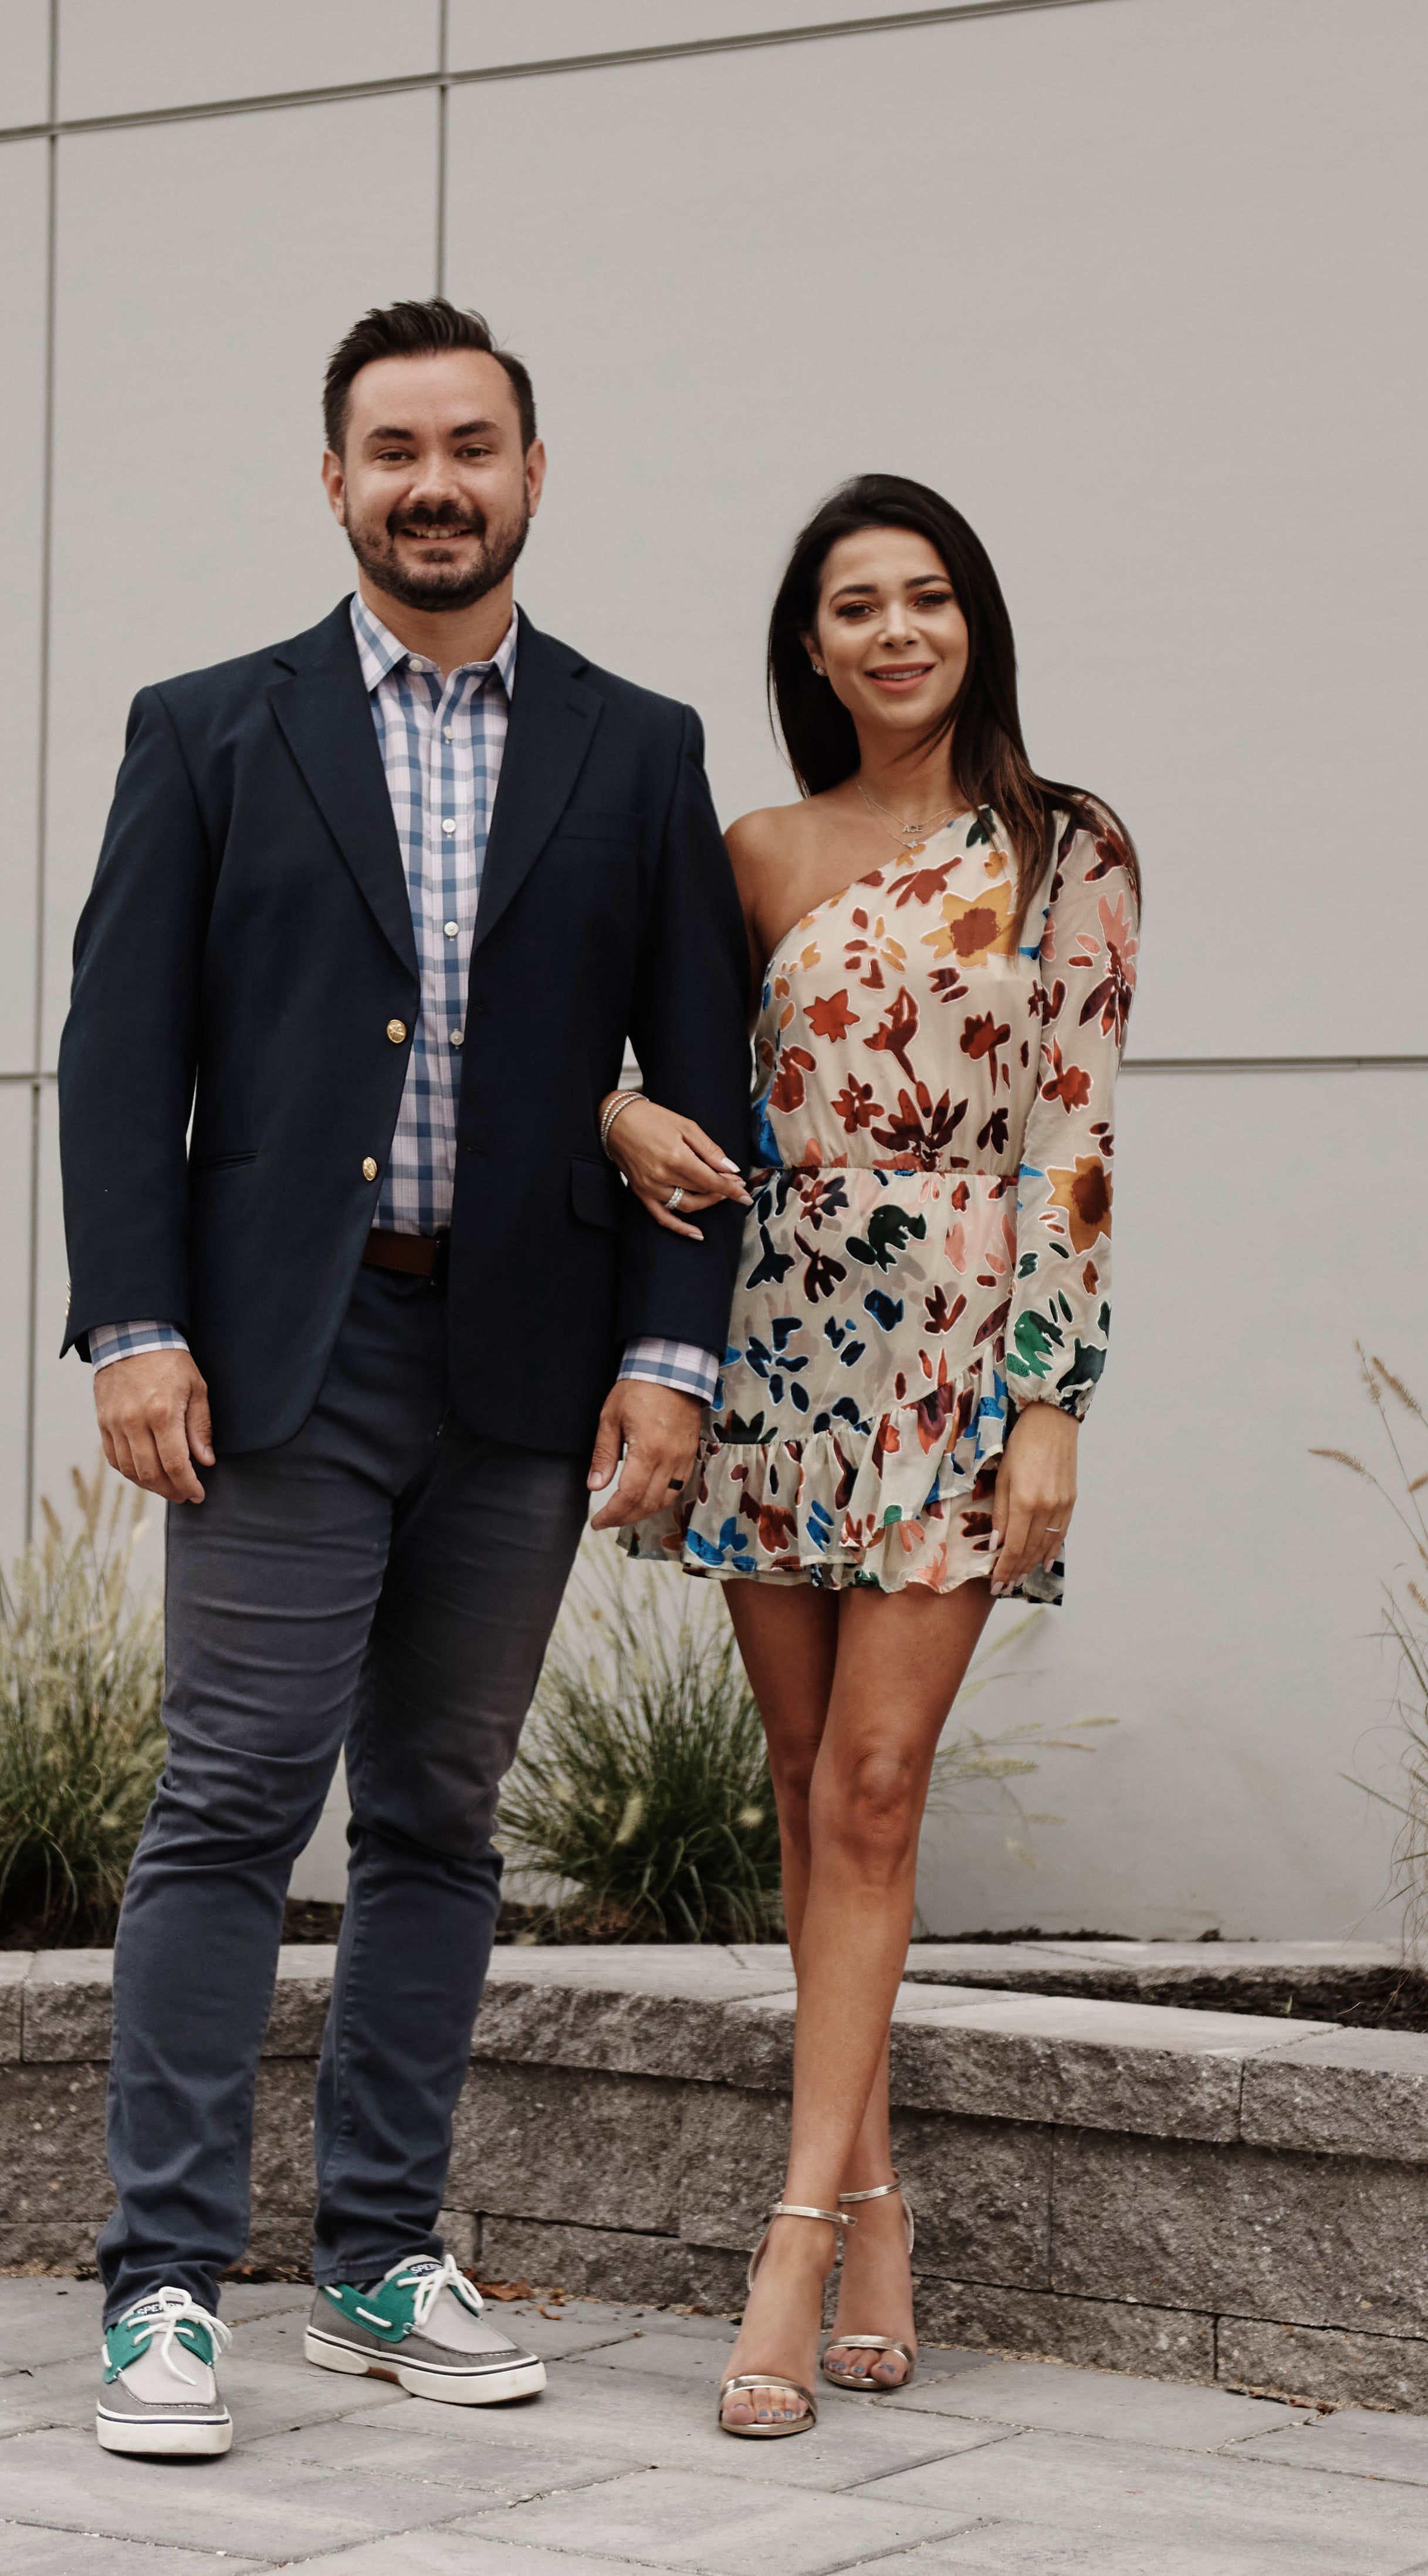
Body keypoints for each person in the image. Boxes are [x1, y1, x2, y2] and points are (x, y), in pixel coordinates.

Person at [55, 298, 754, 2457]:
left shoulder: (636, 750)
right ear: (335, 482)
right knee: (232, 1808)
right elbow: (117, 1048)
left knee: (441, 1819)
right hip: (285, 1351)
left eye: (471, 445)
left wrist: (667, 1354)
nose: (432, 482)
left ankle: (374, 2262)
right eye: (391, 450)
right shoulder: (211, 728)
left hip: (528, 1358)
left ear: (533, 476)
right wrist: (132, 1321)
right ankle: (162, 2287)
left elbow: (696, 1069)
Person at [600, 473, 1138, 2436]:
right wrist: (611, 1118)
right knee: (808, 1788)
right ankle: (881, 2200)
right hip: (775, 1345)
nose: (894, 632)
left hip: (960, 1356)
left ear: (971, 622)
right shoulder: (753, 850)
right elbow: (638, 1059)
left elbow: (1071, 1135)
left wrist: (1054, 1399)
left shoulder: (1066, 847)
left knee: (882, 1785)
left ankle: (794, 2238)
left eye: (926, 598)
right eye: (855, 606)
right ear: (809, 646)